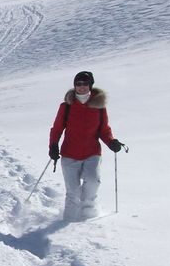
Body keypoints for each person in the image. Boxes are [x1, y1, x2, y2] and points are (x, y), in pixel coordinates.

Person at [49, 71, 123, 221]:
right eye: (78, 84)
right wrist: (53, 146)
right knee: (73, 192)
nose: (81, 87)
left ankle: (88, 219)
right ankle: (68, 223)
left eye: (85, 84)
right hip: (70, 153)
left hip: (92, 153)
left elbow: (104, 130)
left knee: (93, 182)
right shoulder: (66, 107)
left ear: (90, 86)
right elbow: (57, 129)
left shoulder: (99, 107)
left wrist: (111, 142)